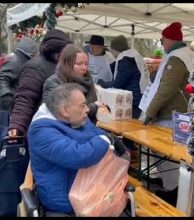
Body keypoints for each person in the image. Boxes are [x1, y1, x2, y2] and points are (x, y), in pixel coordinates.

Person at [28, 83, 127, 215]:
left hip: (91, 192)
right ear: (65, 111)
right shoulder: (41, 132)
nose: (87, 109)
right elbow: (79, 156)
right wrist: (106, 140)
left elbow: (99, 135)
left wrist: (108, 140)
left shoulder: (78, 121)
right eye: (82, 105)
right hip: (68, 202)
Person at [139, 21, 194, 205]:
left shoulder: (176, 58)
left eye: (163, 39)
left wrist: (149, 113)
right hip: (180, 112)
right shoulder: (183, 55)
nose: (161, 43)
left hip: (171, 115)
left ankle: (174, 193)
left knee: (167, 157)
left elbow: (165, 90)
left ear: (170, 39)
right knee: (172, 157)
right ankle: (175, 191)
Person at [8, 29, 72, 139]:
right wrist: (17, 125)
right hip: (40, 127)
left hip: (59, 125)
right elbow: (25, 97)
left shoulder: (62, 66)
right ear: (57, 51)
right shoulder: (34, 67)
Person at [43, 44, 104, 123]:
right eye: (79, 64)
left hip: (88, 127)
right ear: (67, 64)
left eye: (86, 64)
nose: (84, 68)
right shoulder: (54, 82)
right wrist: (94, 107)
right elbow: (61, 113)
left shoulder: (87, 80)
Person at [97, 35, 151, 119]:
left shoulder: (125, 60)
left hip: (134, 101)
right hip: (141, 97)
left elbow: (117, 84)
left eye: (111, 50)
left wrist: (101, 82)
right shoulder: (133, 56)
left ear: (115, 49)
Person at [0, 37, 37, 112]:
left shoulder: (20, 60)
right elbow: (0, 79)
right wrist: (7, 97)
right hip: (13, 104)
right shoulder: (16, 62)